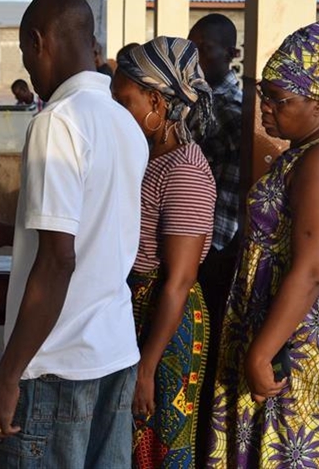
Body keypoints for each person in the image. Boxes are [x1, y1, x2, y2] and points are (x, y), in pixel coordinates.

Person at [0, 0, 148, 467]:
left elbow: (58, 260)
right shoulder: (125, 121)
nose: (27, 69)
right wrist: (15, 234)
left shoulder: (57, 122)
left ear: (38, 41)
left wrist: (7, 376)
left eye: (26, 55)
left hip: (55, 365)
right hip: (114, 352)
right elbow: (94, 231)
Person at [207, 21, 319, 468]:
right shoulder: (311, 149)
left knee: (286, 453)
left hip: (303, 334)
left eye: (279, 99)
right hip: (288, 322)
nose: (265, 107)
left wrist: (262, 351)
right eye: (264, 94)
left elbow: (313, 268)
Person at [113, 36, 217, 468]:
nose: (117, 112)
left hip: (165, 327)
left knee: (159, 448)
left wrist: (147, 367)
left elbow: (180, 279)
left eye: (125, 102)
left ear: (156, 101)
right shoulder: (148, 157)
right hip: (140, 312)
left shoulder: (185, 169)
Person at [187, 13, 243, 465]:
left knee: (202, 350)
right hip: (202, 242)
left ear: (232, 55)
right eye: (193, 50)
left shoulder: (227, 110)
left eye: (205, 50)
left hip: (216, 246)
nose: (198, 60)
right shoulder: (202, 100)